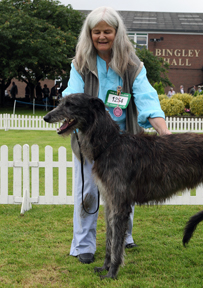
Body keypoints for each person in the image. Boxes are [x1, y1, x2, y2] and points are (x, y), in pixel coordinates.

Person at [61, 6, 170, 265]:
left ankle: (124, 237)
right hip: (91, 143)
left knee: (123, 193)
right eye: (96, 31)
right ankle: (84, 244)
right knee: (87, 192)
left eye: (107, 31)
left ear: (116, 33)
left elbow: (146, 97)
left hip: (125, 143)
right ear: (89, 34)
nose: (101, 36)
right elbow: (72, 95)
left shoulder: (132, 64)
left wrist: (163, 131)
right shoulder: (80, 64)